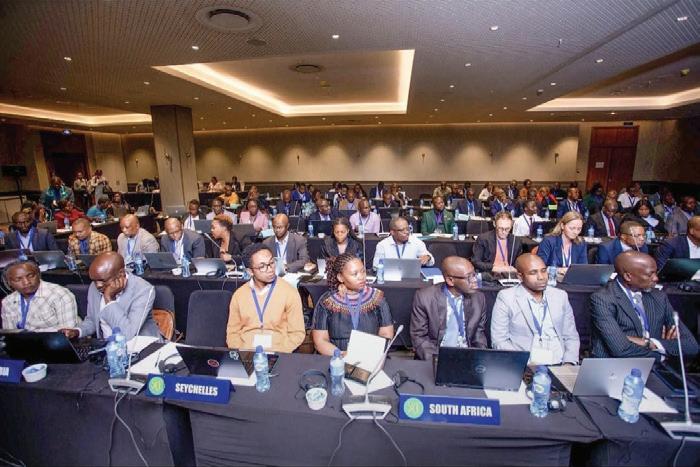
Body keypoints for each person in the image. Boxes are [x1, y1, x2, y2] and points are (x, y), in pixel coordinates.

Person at [590, 251, 698, 360]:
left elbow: (691, 346)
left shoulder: (659, 297)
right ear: (628, 276)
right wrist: (663, 353)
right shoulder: (603, 299)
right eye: (650, 274)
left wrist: (650, 343)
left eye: (656, 272)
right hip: (616, 366)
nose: (656, 278)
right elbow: (621, 350)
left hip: (655, 367)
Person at [490, 254, 580, 365]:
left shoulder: (560, 296)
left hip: (560, 363)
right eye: (533, 273)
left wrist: (569, 363)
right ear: (520, 276)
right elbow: (499, 340)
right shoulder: (506, 298)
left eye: (543, 271)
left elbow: (571, 336)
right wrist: (521, 364)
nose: (541, 277)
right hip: (525, 365)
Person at [61, 252, 159, 340]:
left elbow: (128, 334)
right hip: (107, 346)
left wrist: (109, 299)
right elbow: (92, 320)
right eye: (94, 280)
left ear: (121, 274)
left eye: (103, 280)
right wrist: (78, 331)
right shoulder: (94, 286)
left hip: (138, 347)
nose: (98, 285)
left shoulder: (143, 290)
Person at [226, 244, 305, 352]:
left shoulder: (289, 292)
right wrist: (241, 353)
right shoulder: (239, 295)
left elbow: (297, 333)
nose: (270, 269)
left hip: (279, 352)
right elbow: (232, 333)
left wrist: (279, 352)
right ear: (250, 271)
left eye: (271, 263)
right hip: (246, 353)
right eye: (262, 266)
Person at [312, 253, 393, 355]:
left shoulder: (377, 298)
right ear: (340, 277)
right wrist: (341, 354)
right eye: (355, 274)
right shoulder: (327, 301)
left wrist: (371, 353)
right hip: (336, 358)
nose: (361, 277)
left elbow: (386, 334)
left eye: (363, 271)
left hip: (371, 357)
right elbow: (320, 341)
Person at [410, 256, 487, 360]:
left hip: (467, 356)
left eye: (474, 274)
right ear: (450, 280)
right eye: (469, 277)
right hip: (436, 355)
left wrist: (479, 359)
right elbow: (419, 337)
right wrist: (438, 361)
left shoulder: (479, 298)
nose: (474, 280)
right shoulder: (425, 297)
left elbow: (479, 335)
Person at [1, 261, 79, 331]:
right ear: (9, 283)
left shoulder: (59, 294)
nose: (26, 282)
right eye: (18, 279)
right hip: (22, 341)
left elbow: (67, 331)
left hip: (56, 340)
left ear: (39, 275)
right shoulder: (8, 301)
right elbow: (9, 333)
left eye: (30, 276)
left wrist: (31, 335)